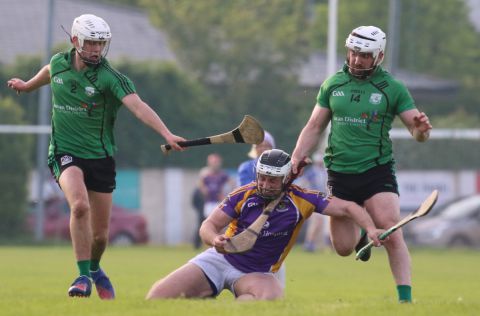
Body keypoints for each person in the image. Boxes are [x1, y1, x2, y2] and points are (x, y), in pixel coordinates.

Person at [7, 14, 185, 299]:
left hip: (101, 158)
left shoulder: (110, 78)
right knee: (79, 206)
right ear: (75, 40)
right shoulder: (58, 64)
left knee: (101, 236)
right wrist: (27, 85)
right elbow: (48, 71)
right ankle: (81, 277)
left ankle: (94, 268)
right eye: (90, 43)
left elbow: (138, 107)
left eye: (100, 44)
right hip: (64, 153)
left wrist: (166, 134)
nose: (96, 50)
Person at [291, 25, 432, 303]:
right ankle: (362, 237)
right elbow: (314, 126)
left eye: (365, 55)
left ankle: (406, 299)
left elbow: (418, 133)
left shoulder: (393, 88)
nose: (357, 59)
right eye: (354, 53)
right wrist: (297, 157)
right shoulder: (333, 84)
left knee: (391, 229)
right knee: (342, 248)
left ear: (379, 56)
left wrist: (422, 130)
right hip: (340, 174)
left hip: (376, 170)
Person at [146, 149, 383, 300]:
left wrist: (371, 229)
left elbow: (348, 208)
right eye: (263, 178)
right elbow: (208, 225)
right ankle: (206, 291)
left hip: (257, 273)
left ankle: (228, 296)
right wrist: (214, 240)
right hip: (219, 260)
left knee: (266, 300)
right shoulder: (243, 194)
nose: (266, 184)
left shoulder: (302, 199)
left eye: (273, 180)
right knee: (156, 298)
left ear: (284, 179)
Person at [298, 152, 330, 252]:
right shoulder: (311, 172)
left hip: (325, 199)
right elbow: (302, 183)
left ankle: (318, 243)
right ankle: (309, 243)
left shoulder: (325, 172)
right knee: (316, 223)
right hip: (314, 200)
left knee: (322, 224)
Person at [198, 153, 231, 219]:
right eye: (214, 162)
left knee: (220, 222)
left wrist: (225, 195)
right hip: (209, 202)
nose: (215, 164)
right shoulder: (205, 174)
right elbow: (201, 186)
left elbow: (231, 185)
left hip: (220, 202)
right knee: (209, 222)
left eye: (217, 162)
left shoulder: (223, 175)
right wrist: (204, 190)